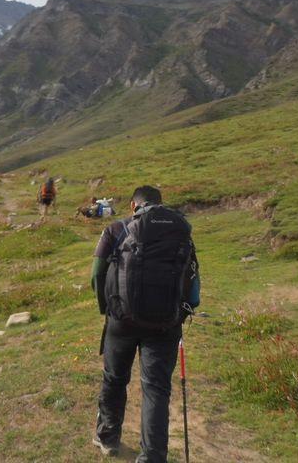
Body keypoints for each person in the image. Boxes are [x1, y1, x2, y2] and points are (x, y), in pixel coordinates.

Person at [90, 185, 200, 462]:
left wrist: (108, 309)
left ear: (133, 206)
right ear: (161, 204)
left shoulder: (116, 230)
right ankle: (152, 456)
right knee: (156, 388)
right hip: (165, 324)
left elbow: (96, 275)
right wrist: (183, 312)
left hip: (121, 321)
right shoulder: (180, 232)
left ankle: (108, 438)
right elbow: (194, 284)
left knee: (115, 379)